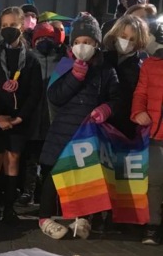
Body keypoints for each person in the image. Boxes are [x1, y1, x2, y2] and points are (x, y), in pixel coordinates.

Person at [38, 13, 120, 239]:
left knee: (86, 175)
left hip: (89, 132)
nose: (82, 46)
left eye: (87, 41)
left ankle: (82, 217)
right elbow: (55, 96)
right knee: (55, 173)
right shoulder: (64, 65)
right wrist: (74, 77)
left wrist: (106, 109)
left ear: (96, 44)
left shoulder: (106, 70)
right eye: (77, 41)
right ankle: (45, 217)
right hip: (63, 131)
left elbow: (116, 98)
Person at [0, 6, 43, 223]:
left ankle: (9, 208)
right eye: (4, 25)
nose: (8, 29)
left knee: (12, 159)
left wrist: (19, 117)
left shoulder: (32, 60)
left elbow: (35, 93)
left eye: (13, 25)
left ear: (22, 26)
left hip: (18, 120)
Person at [18, 21, 64, 207]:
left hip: (52, 120)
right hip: (33, 118)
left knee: (49, 162)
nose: (44, 42)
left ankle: (47, 196)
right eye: (40, 38)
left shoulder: (62, 61)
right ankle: (28, 192)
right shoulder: (28, 59)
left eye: (49, 38)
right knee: (30, 159)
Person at [131, 18, 163, 244]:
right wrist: (138, 112)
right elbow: (140, 93)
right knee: (155, 182)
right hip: (155, 133)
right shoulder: (150, 65)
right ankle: (152, 226)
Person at [103, 14, 149, 139]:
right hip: (98, 124)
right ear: (115, 34)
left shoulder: (140, 68)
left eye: (132, 39)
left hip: (124, 129)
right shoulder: (102, 59)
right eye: (123, 36)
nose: (127, 42)